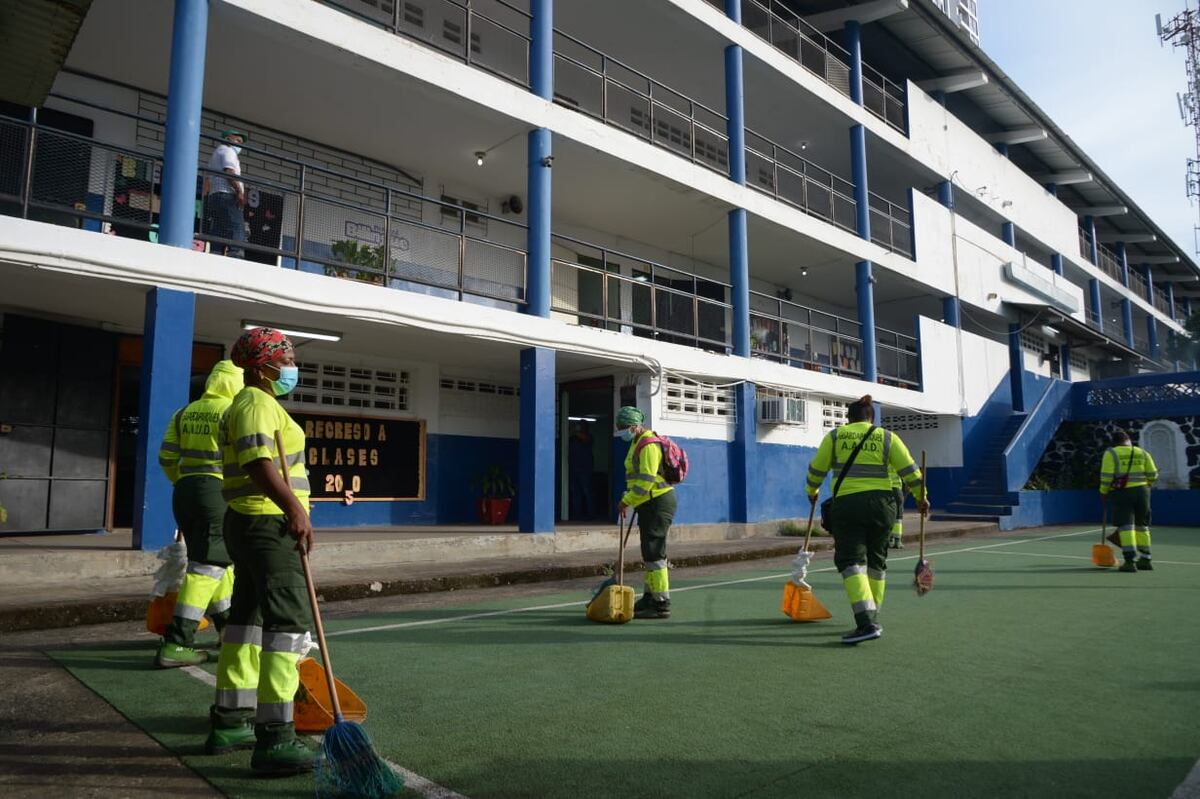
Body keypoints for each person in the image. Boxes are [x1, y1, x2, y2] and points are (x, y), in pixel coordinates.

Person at [205, 327, 316, 774]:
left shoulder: (254, 404)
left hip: (249, 523)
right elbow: (257, 462)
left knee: (245, 624)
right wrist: (294, 509)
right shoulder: (254, 403)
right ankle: (275, 739)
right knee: (287, 625)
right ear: (261, 366)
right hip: (266, 526)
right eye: (285, 355)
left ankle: (231, 719)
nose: (291, 363)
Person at [805, 395, 928, 645]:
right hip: (883, 507)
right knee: (876, 561)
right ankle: (873, 613)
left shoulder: (836, 437)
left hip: (849, 506)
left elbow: (817, 469)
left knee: (851, 561)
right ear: (871, 418)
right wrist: (922, 497)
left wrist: (812, 492)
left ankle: (866, 622)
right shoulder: (887, 437)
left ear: (848, 419)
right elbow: (911, 471)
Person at [154, 359, 244, 668]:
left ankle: (229, 629)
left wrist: (184, 480)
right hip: (216, 493)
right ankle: (177, 642)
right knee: (208, 565)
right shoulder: (233, 413)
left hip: (184, 491)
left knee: (217, 562)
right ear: (236, 384)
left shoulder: (184, 413)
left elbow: (166, 457)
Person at [615, 406, 675, 619]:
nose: (621, 431)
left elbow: (647, 480)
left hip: (657, 503)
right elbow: (636, 477)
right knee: (649, 551)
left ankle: (661, 602)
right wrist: (631, 498)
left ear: (634, 426)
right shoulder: (636, 442)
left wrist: (627, 501)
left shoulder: (649, 444)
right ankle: (650, 596)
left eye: (623, 428)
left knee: (655, 552)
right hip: (647, 503)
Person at [1099, 429, 1158, 573]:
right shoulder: (1142, 452)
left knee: (1126, 526)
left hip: (1122, 493)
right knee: (1142, 526)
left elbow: (1106, 476)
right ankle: (1145, 559)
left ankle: (1129, 561)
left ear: (1114, 443)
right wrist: (1147, 483)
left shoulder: (1111, 453)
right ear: (1129, 441)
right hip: (1143, 492)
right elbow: (1153, 475)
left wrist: (1103, 492)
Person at [204, 129, 247, 258]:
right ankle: (235, 258)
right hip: (227, 195)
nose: (240, 145)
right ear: (228, 139)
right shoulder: (228, 151)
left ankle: (215, 256)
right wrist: (239, 192)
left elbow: (209, 178)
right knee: (237, 228)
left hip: (215, 195)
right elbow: (229, 171)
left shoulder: (216, 153)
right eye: (237, 140)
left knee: (219, 230)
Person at [568, 422, 595, 520]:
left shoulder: (589, 437)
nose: (579, 428)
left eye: (581, 426)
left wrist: (574, 431)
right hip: (573, 469)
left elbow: (585, 439)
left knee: (587, 492)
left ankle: (591, 514)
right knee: (576, 493)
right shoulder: (573, 439)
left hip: (585, 469)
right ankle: (576, 514)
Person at [888, 466, 905, 550]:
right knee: (898, 515)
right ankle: (897, 541)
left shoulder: (882, 459)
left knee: (887, 515)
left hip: (885, 489)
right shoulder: (895, 461)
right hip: (896, 489)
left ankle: (888, 539)